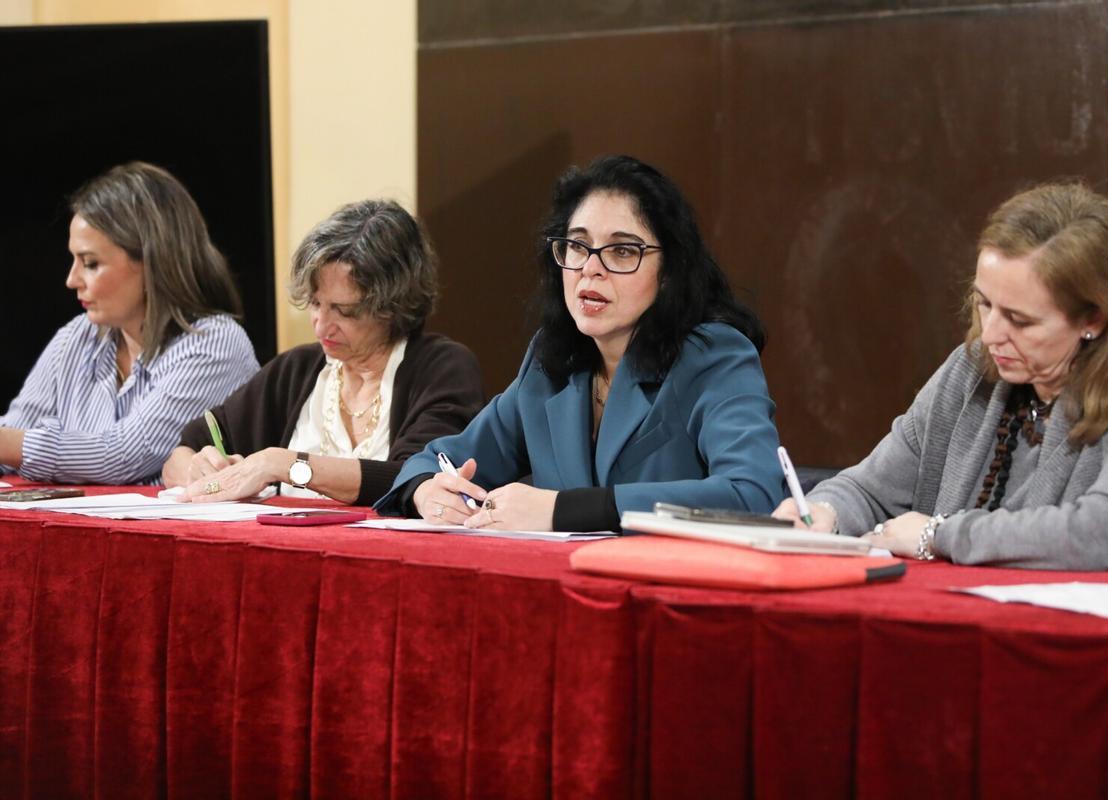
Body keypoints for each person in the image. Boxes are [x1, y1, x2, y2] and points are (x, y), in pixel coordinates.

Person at [774, 181, 1108, 571]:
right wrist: (825, 513)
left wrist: (938, 535)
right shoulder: (972, 369)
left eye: (1020, 320)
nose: (992, 335)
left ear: (1095, 319)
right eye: (984, 304)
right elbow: (870, 490)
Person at [375, 154, 783, 531]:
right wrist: (426, 490)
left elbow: (753, 494)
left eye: (622, 251)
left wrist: (560, 510)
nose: (590, 268)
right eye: (577, 246)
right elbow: (438, 459)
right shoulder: (552, 362)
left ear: (669, 272)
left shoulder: (714, 356)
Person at [162, 199, 485, 505]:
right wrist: (200, 470)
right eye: (316, 303)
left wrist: (281, 465)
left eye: (344, 311)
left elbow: (418, 478)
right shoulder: (296, 369)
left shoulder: (444, 368)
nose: (321, 325)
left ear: (393, 307)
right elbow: (182, 452)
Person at [0, 162, 259, 485]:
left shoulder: (215, 344)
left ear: (152, 263)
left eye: (90, 263)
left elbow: (122, 456)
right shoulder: (77, 337)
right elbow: (13, 432)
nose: (71, 280)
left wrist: (15, 445)